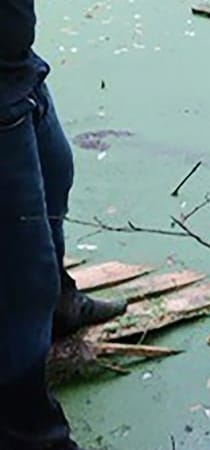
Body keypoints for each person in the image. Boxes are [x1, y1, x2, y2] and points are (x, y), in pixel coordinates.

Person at [1, 2, 128, 448]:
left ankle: (59, 305)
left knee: (57, 171)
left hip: (19, 69)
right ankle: (30, 432)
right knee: (23, 271)